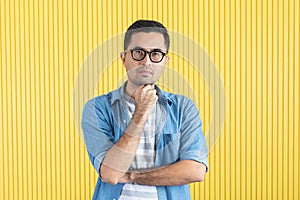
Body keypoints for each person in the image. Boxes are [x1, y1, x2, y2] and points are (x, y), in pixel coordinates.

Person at [82, 19, 208, 200]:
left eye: (156, 54)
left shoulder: (183, 108)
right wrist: (141, 112)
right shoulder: (97, 108)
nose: (147, 61)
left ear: (165, 61)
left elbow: (195, 171)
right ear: (124, 58)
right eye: (139, 52)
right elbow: (110, 173)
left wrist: (132, 176)